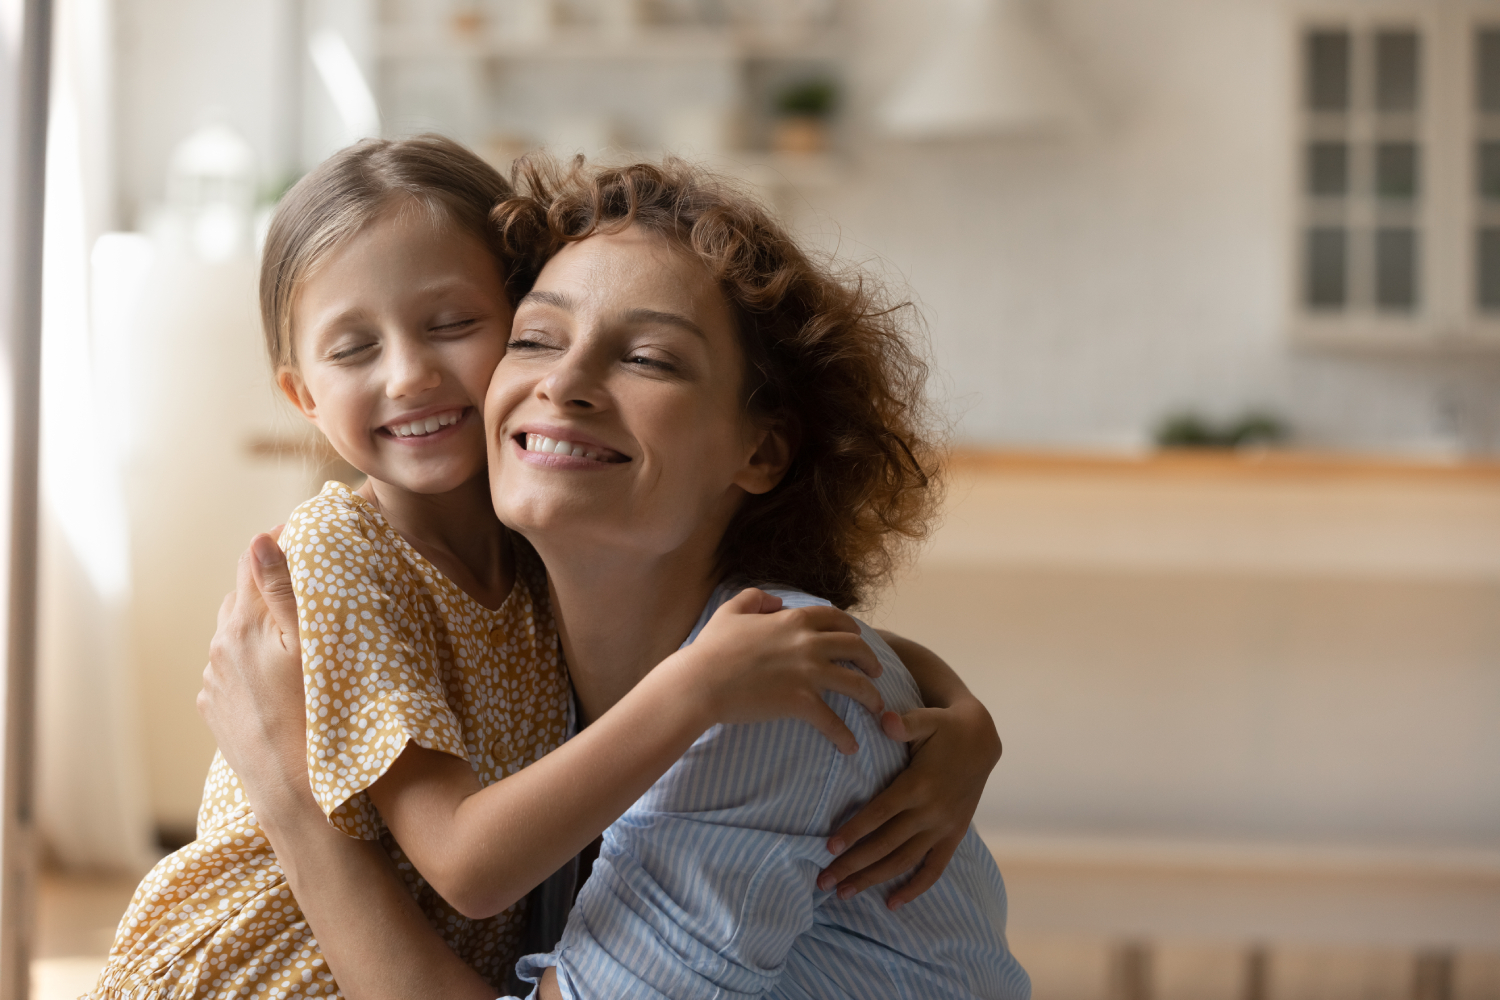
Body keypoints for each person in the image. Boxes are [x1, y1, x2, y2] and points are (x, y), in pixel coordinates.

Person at [93, 140, 1002, 1000]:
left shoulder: (677, 659)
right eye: (539, 339)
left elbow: (785, 657)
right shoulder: (414, 565)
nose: (563, 384)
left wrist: (955, 708)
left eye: (648, 357)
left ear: (760, 451)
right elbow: (471, 857)